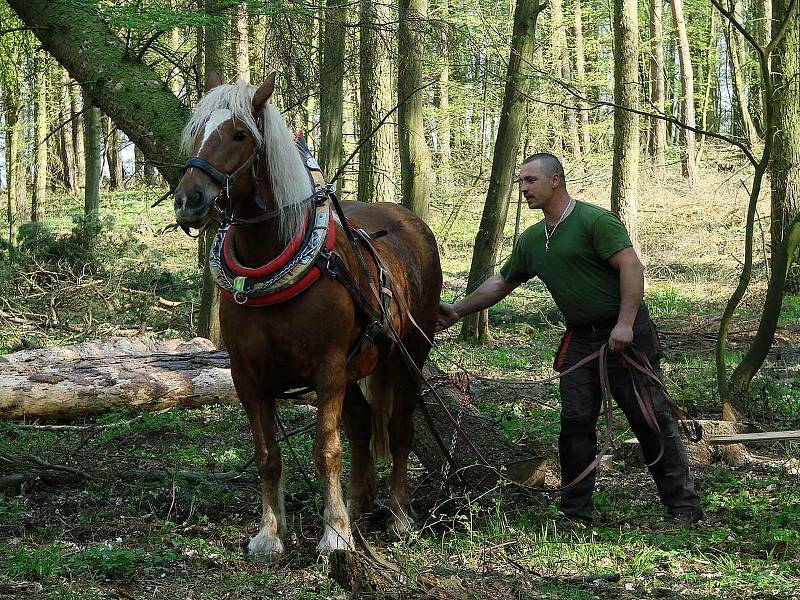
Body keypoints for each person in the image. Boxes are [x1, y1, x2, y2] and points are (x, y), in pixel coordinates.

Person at [437, 153, 703, 527]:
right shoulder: (532, 240)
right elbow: (504, 281)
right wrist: (458, 310)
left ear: (555, 181)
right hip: (581, 339)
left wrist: (625, 324)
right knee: (575, 421)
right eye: (521, 182)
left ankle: (684, 506)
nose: (523, 188)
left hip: (626, 333)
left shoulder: (594, 221)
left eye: (530, 181)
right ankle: (576, 513)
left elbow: (632, 266)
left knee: (649, 418)